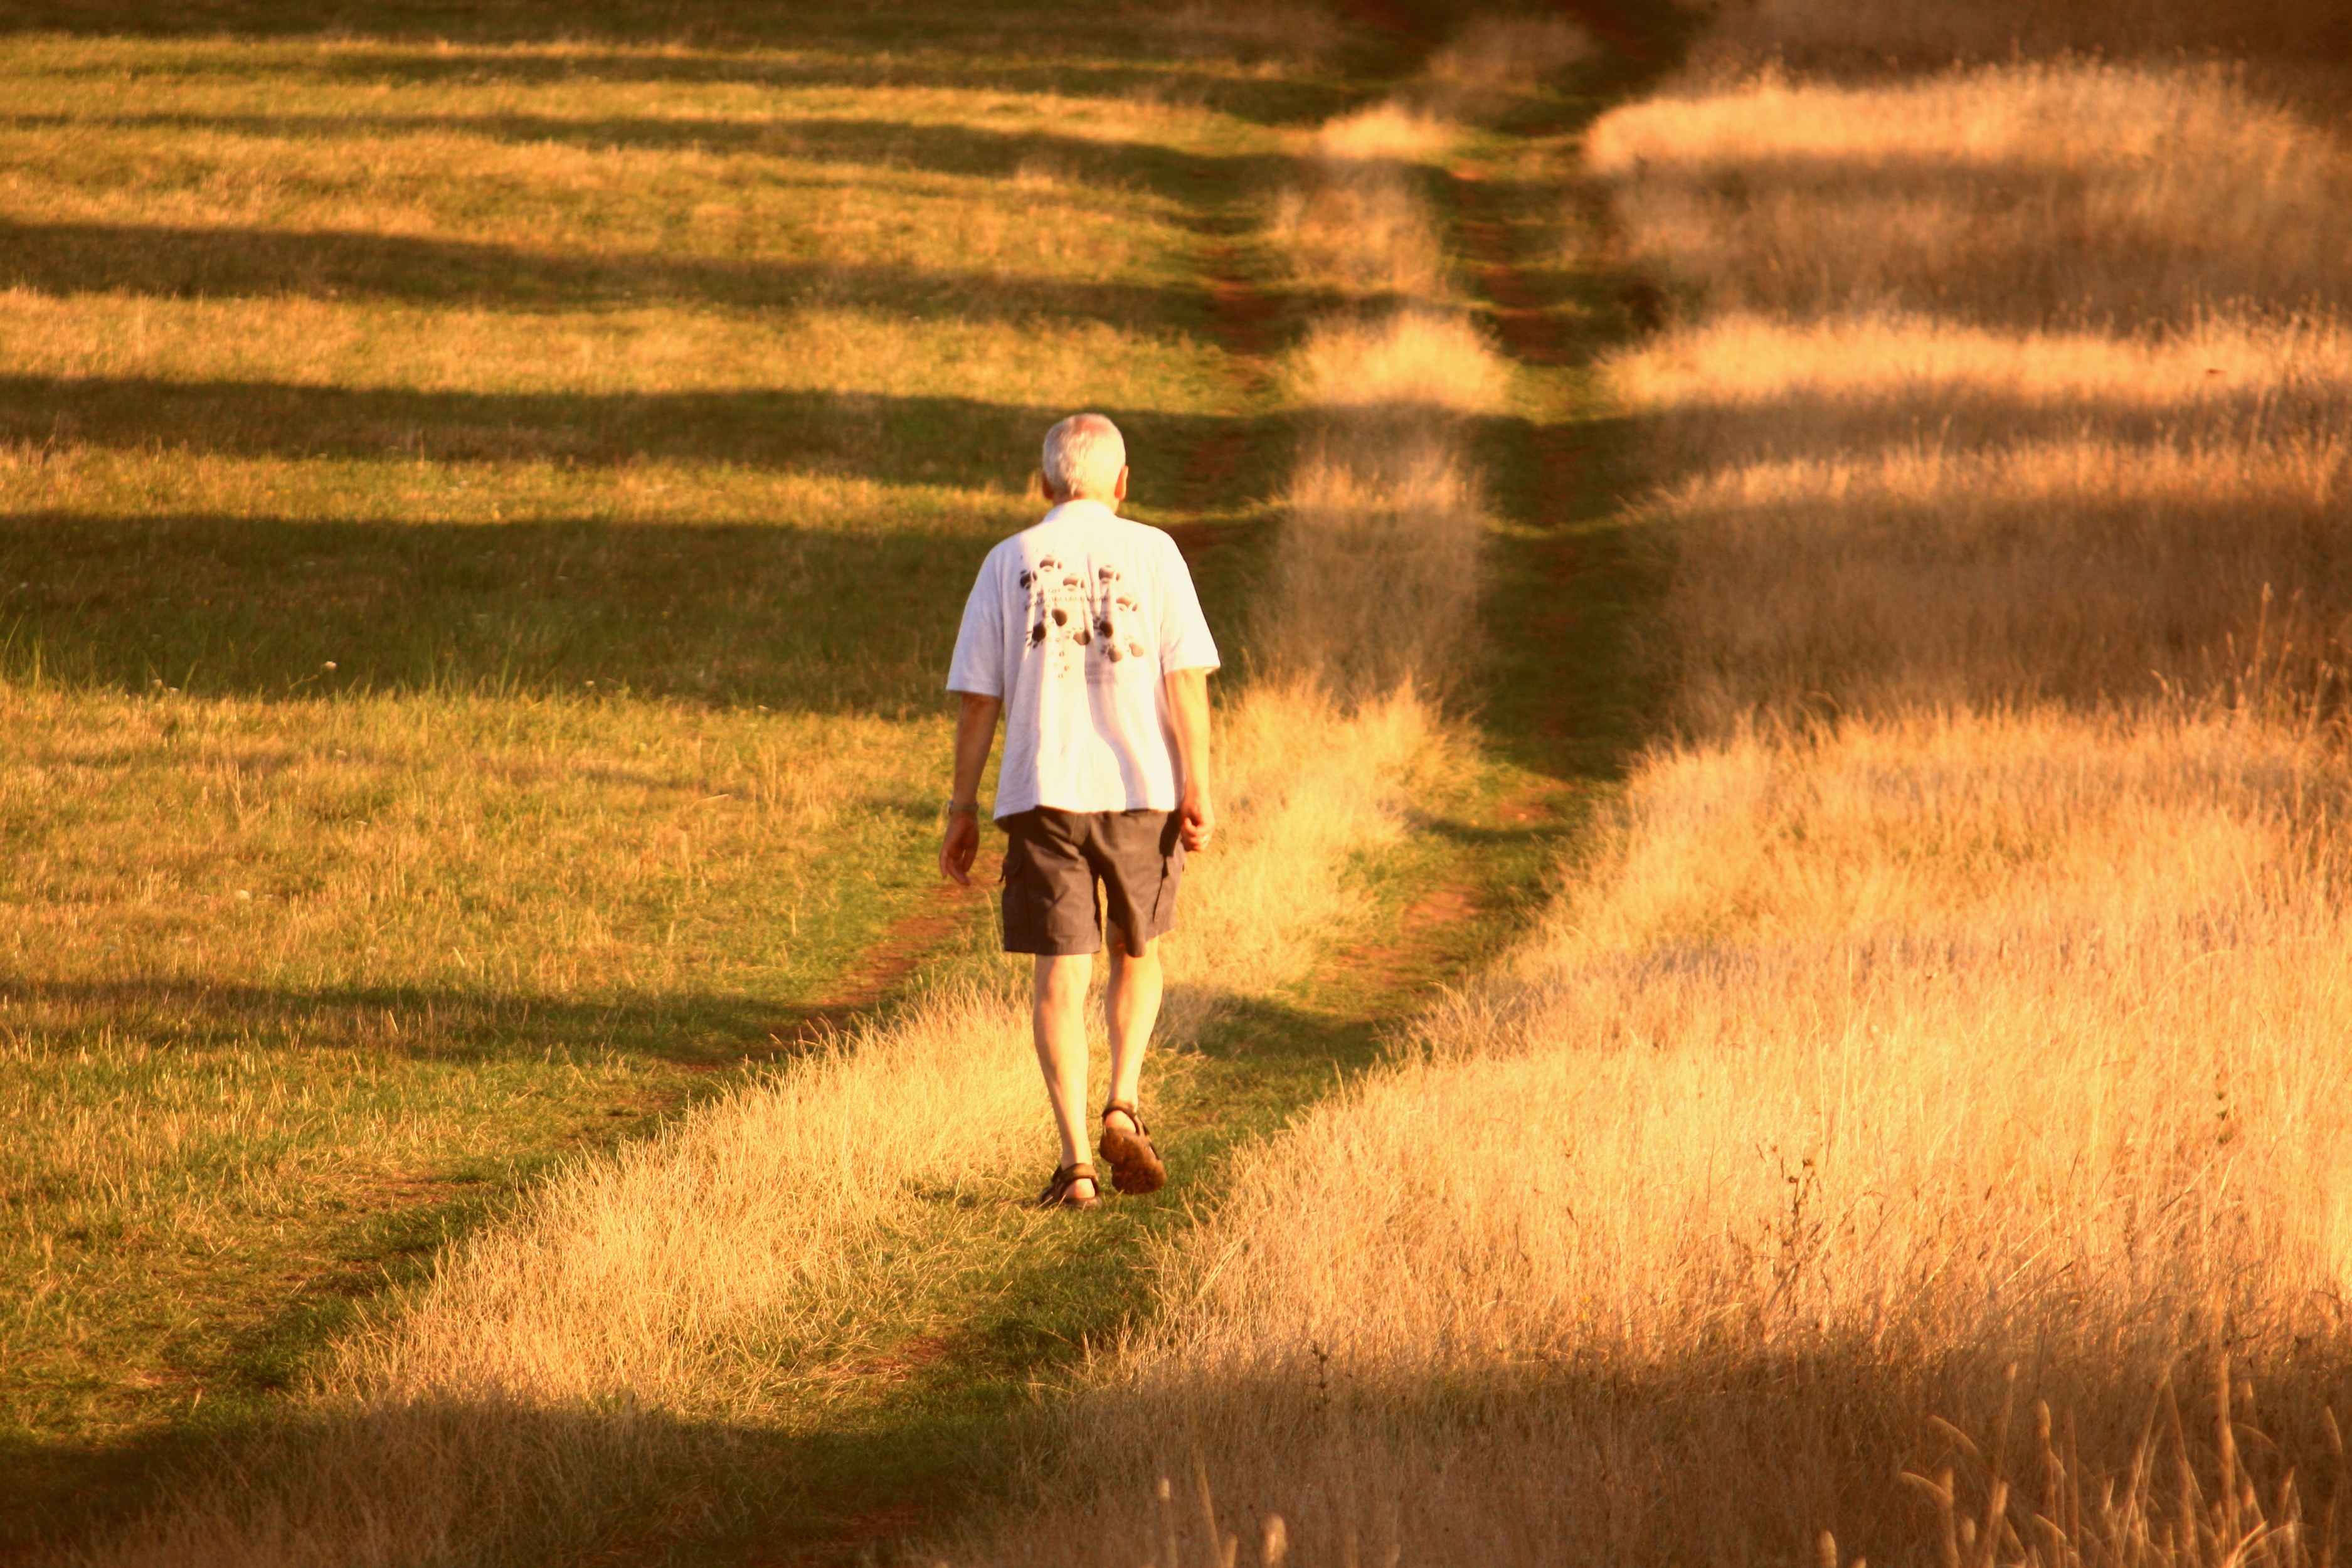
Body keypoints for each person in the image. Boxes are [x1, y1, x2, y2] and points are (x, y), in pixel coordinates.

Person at [940, 413, 1219, 1210]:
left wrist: (963, 807)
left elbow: (978, 699)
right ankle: (1123, 1103)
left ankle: (1077, 1168)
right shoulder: (1154, 552)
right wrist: (1196, 782)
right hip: (1141, 789)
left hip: (1043, 790)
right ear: (1122, 483)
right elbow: (1186, 679)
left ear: (1044, 485)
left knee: (1059, 977)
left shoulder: (1009, 560)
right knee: (1137, 951)